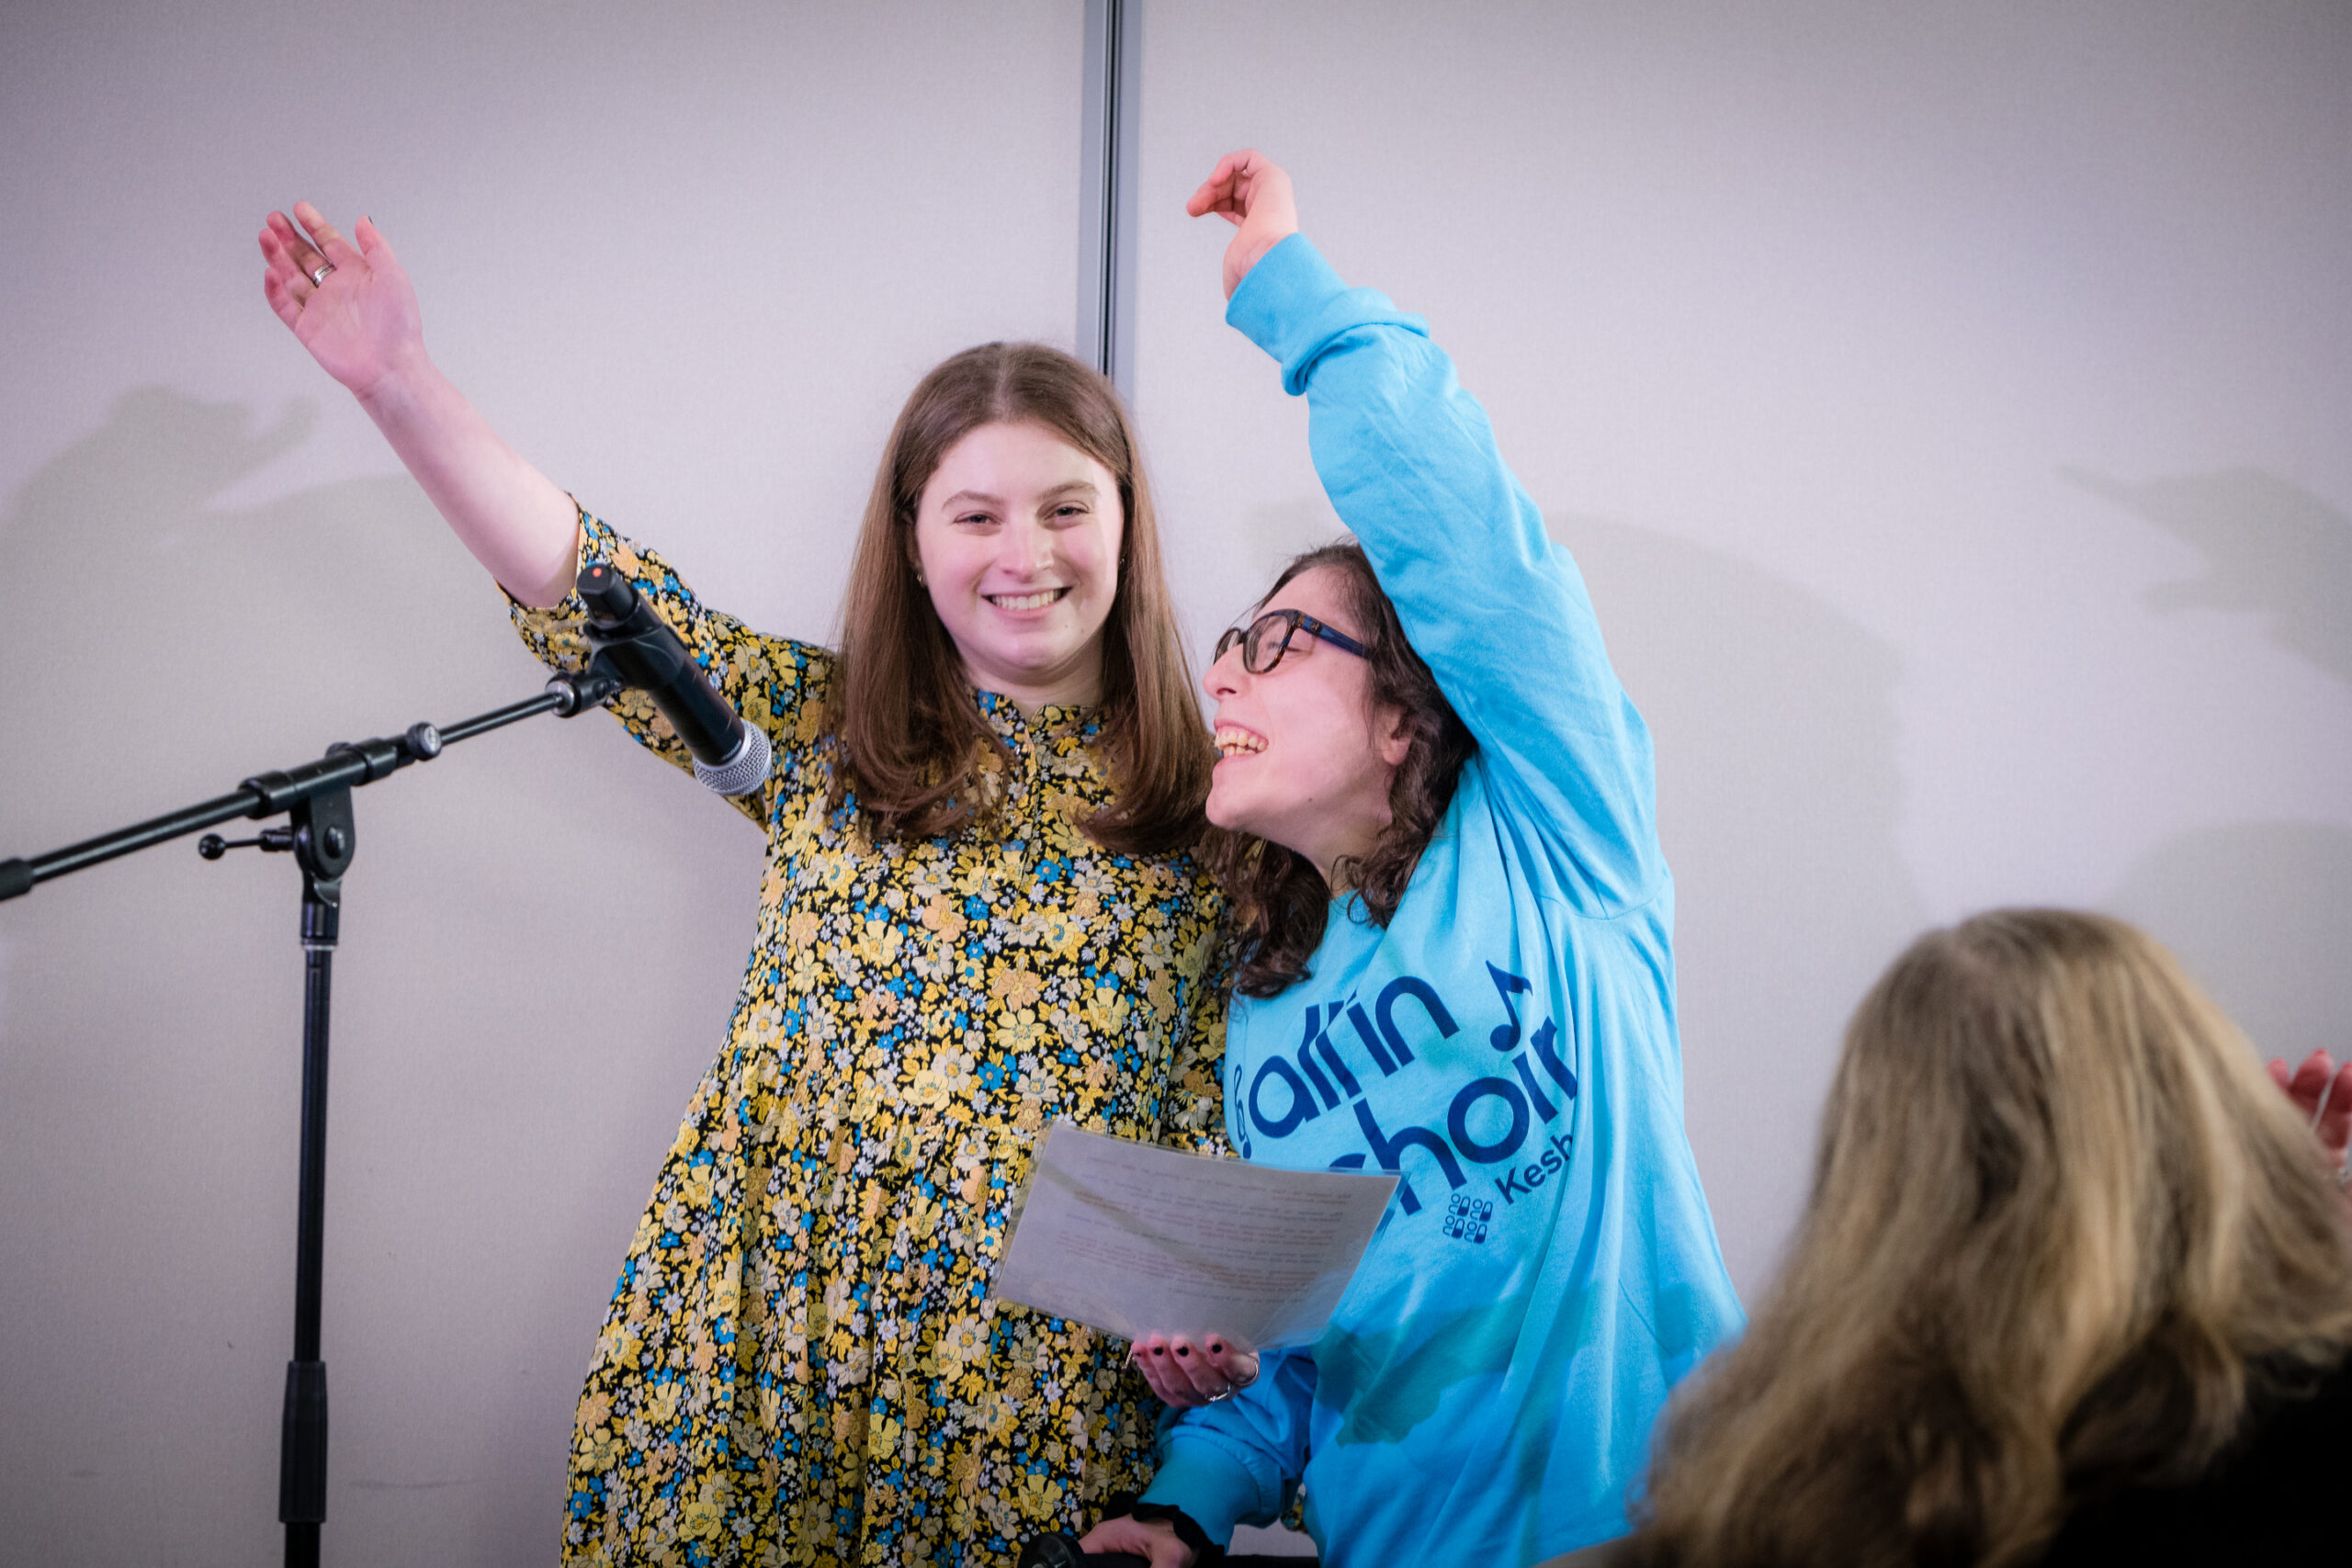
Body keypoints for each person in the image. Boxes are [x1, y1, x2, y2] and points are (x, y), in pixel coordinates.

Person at [258, 205, 1233, 1566]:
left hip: (1035, 1389)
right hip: (763, 1338)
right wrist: (398, 381)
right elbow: (590, 585)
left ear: (1127, 522)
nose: (1028, 553)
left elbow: (1218, 1114)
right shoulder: (823, 732)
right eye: (976, 513)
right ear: (910, 539)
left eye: (1069, 505)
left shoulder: (1216, 805)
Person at [1082, 151, 1745, 1568]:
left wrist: (1298, 305)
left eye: (1278, 643)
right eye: (1228, 647)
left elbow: (1473, 550)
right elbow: (1319, 1359)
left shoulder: (1562, 836)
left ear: (1402, 710)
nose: (1228, 678)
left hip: (1675, 1518)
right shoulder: (1264, 1007)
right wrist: (1188, 1491)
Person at [1620, 910, 2352, 1567]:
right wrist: (2297, 1252)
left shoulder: (1753, 1489)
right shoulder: (2279, 1428)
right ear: (2205, 1112)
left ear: (1874, 1176)